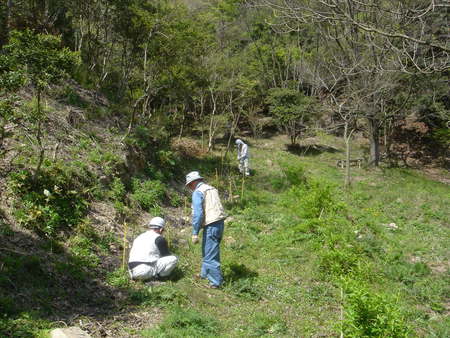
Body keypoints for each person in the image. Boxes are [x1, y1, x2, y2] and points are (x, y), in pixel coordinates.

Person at [185, 171, 226, 288]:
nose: (189, 188)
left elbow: (198, 214)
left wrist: (195, 232)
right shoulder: (212, 189)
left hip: (211, 225)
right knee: (210, 250)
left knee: (210, 255)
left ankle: (215, 283)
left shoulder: (198, 192)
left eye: (189, 185)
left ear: (192, 183)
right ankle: (204, 274)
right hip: (219, 223)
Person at [128, 217, 178, 281]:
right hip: (144, 271)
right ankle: (160, 278)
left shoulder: (139, 237)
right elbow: (166, 255)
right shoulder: (159, 238)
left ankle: (141, 278)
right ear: (161, 229)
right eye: (163, 230)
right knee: (173, 259)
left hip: (131, 271)